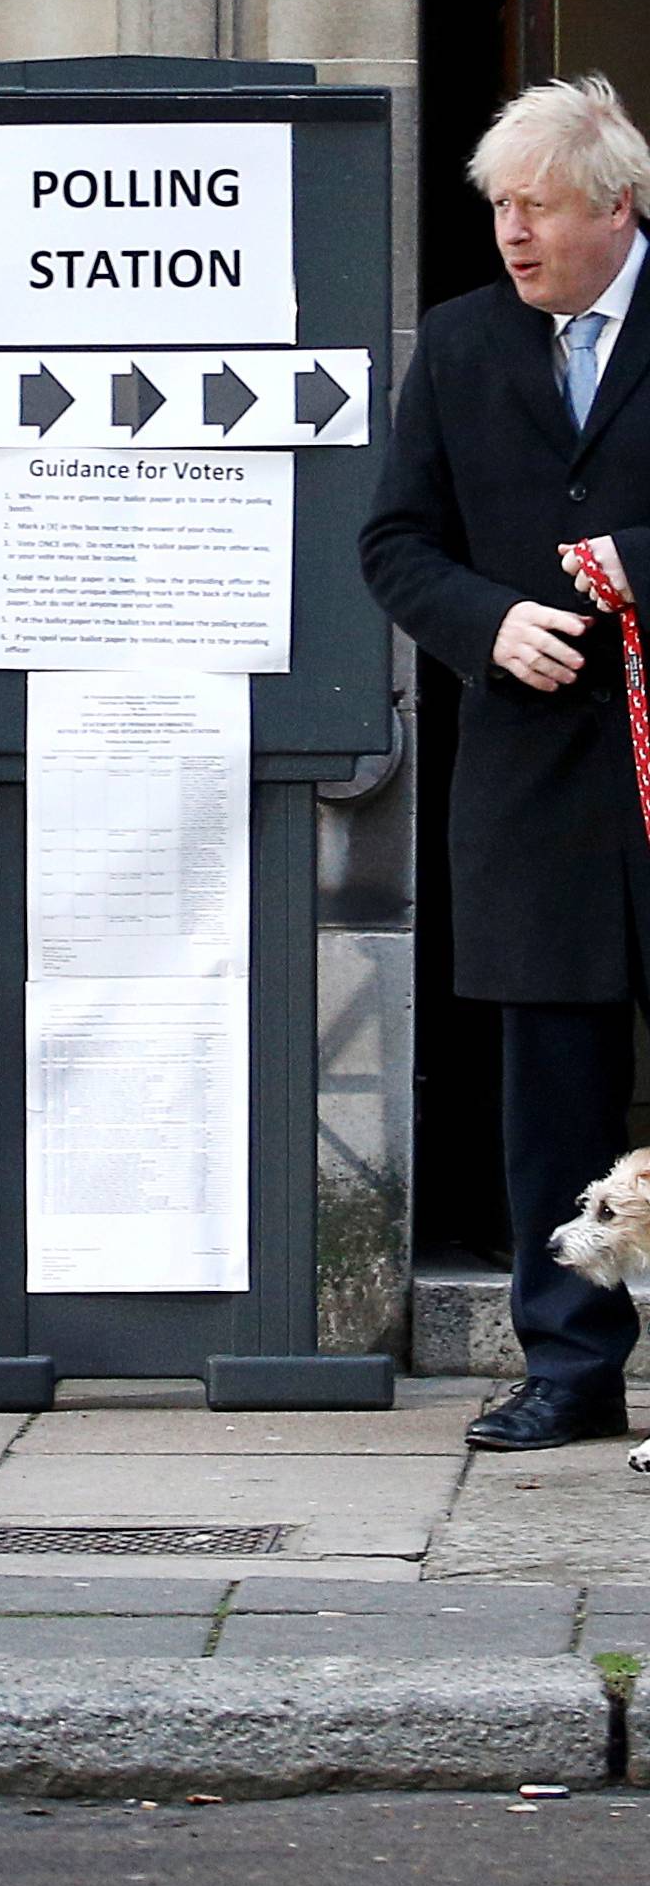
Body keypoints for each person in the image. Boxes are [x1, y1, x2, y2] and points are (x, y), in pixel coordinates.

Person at [362, 72, 650, 1453]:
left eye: (535, 206)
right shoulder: (468, 345)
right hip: (534, 787)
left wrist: (628, 573)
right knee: (554, 1101)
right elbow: (394, 544)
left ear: (617, 205)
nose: (513, 234)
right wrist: (491, 623)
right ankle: (571, 1369)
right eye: (498, 209)